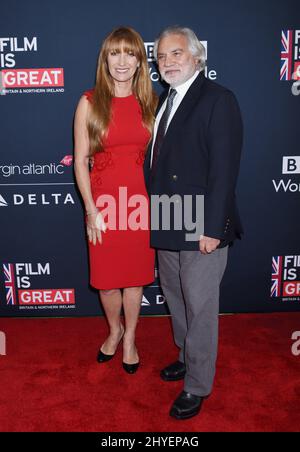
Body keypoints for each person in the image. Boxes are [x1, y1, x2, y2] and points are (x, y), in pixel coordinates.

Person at [144, 26, 243, 419]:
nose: (167, 62)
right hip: (168, 216)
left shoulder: (219, 100)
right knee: (176, 296)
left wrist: (212, 228)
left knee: (200, 305)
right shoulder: (163, 101)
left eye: (176, 54)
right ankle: (187, 356)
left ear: (197, 57)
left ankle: (198, 385)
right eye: (162, 57)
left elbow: (224, 170)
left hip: (202, 222)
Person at [74, 27, 157, 374]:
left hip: (141, 207)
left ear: (139, 61)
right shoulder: (90, 102)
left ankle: (130, 339)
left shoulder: (152, 104)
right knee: (107, 282)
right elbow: (80, 160)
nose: (122, 61)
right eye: (114, 53)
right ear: (105, 59)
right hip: (104, 208)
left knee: (135, 279)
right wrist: (91, 211)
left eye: (130, 53)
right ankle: (114, 329)